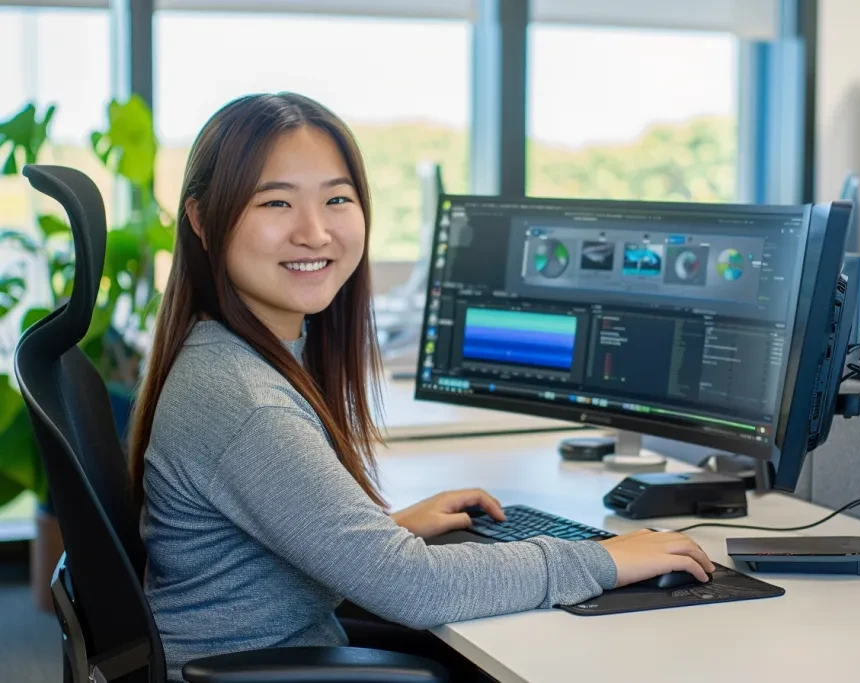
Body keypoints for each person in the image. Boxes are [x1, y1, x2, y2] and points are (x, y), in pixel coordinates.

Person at [128, 92, 715, 682]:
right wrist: (599, 558)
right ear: (202, 221)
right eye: (276, 202)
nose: (314, 232)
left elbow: (264, 555)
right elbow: (414, 590)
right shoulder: (244, 400)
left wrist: (385, 532)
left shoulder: (236, 355)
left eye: (337, 199)